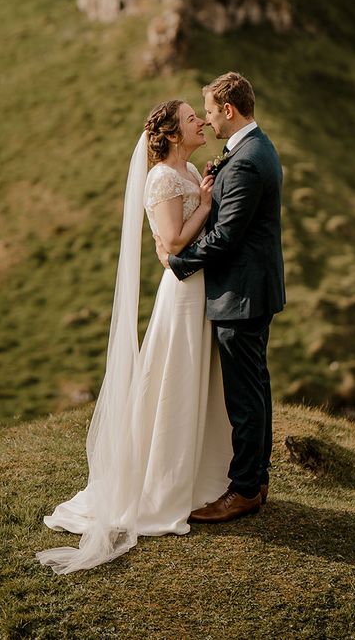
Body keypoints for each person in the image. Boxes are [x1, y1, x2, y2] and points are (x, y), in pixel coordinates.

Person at [35, 100, 232, 574]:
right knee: (174, 384)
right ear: (171, 132)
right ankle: (161, 486)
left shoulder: (186, 172)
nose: (201, 122)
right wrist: (205, 205)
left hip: (202, 288)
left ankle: (202, 477)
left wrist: (205, 192)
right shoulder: (162, 177)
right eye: (191, 119)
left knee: (199, 381)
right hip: (183, 293)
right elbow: (174, 242)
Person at [157, 71, 285, 522]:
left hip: (243, 292)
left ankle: (245, 488)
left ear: (228, 110)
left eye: (209, 112)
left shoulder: (249, 158)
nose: (208, 122)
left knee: (245, 395)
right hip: (250, 289)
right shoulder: (251, 150)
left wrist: (179, 264)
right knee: (255, 387)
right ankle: (257, 476)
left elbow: (228, 235)